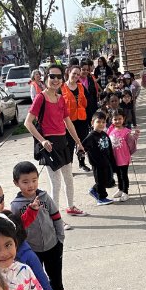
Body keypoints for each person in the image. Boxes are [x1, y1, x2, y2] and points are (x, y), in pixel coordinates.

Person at [23, 64, 87, 217]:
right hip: (49, 145)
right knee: (56, 183)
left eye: (59, 77)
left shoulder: (60, 98)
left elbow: (67, 121)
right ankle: (55, 217)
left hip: (63, 142)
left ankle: (71, 207)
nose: (56, 80)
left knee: (69, 179)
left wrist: (78, 142)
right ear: (46, 78)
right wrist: (42, 140)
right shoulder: (40, 98)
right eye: (52, 76)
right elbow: (28, 122)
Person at [10, 161, 70, 290]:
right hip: (32, 249)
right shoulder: (16, 205)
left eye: (34, 180)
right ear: (16, 183)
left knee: (55, 272)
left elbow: (56, 216)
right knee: (37, 275)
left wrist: (60, 237)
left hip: (53, 244)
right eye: (25, 182)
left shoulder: (44, 197)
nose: (31, 185)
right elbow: (17, 229)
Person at [82, 111, 117, 205]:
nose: (101, 124)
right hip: (97, 164)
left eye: (103, 122)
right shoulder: (91, 136)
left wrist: (113, 162)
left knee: (108, 180)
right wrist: (81, 153)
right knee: (101, 181)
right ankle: (101, 198)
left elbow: (110, 148)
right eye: (98, 122)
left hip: (106, 162)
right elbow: (82, 147)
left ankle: (94, 190)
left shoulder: (104, 134)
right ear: (92, 123)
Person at [62, 64, 91, 173]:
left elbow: (88, 103)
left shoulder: (81, 87)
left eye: (78, 75)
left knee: (82, 143)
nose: (76, 76)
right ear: (69, 72)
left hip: (82, 120)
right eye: (74, 73)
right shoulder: (61, 88)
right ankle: (69, 168)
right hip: (68, 121)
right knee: (69, 144)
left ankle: (82, 163)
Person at [107, 112, 139, 201]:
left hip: (123, 157)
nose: (117, 121)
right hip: (114, 157)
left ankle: (125, 192)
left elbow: (131, 142)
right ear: (111, 120)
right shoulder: (110, 130)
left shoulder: (126, 131)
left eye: (119, 119)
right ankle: (120, 189)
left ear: (123, 119)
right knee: (118, 174)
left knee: (123, 175)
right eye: (115, 119)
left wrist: (136, 135)